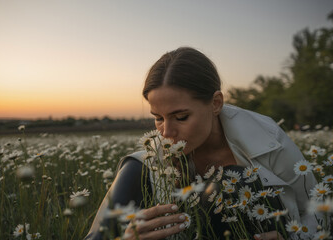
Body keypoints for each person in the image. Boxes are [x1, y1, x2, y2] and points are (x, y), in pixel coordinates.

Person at [85, 47, 319, 240]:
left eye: (181, 117)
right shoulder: (145, 165)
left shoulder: (268, 140)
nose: (166, 133)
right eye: (158, 118)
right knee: (135, 169)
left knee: (232, 181)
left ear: (216, 103)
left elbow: (318, 210)